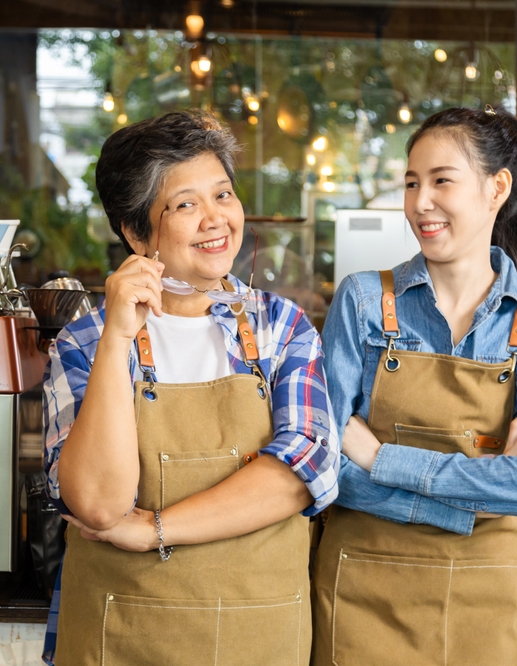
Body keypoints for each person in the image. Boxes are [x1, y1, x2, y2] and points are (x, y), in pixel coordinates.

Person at [41, 110, 339, 666]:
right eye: (185, 205)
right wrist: (116, 339)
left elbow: (302, 474)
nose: (215, 220)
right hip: (119, 636)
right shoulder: (82, 344)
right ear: (135, 232)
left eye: (223, 195)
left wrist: (155, 529)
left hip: (259, 639)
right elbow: (99, 505)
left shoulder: (281, 329)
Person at [311, 105, 517, 666]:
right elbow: (323, 463)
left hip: (478, 598)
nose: (420, 203)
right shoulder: (361, 302)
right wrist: (475, 497)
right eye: (411, 183)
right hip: (360, 590)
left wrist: (382, 458)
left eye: (440, 181)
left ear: (496, 188)